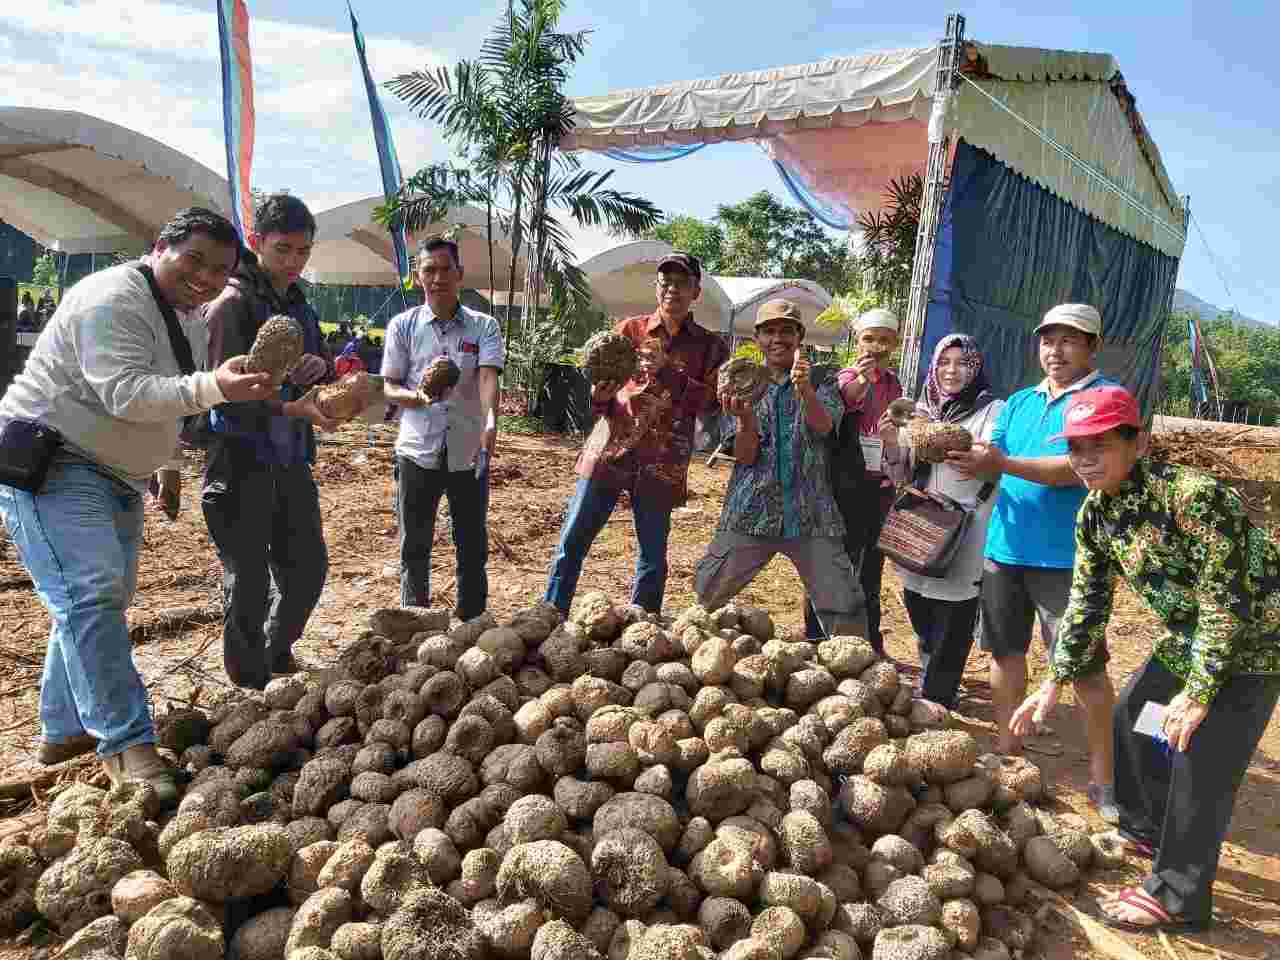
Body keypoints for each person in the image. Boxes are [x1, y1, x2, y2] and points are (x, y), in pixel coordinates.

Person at [0, 208, 273, 801]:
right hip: (55, 461)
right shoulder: (112, 297)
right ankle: (125, 744)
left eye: (219, 270)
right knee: (91, 595)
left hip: (118, 473)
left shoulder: (188, 319)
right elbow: (124, 391)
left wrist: (167, 465)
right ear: (159, 247)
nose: (204, 276)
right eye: (193, 259)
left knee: (93, 600)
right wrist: (216, 386)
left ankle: (63, 732)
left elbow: (174, 397)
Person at [1011, 385, 1280, 933]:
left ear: (1139, 443)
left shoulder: (1193, 496)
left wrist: (1200, 692)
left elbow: (1225, 600)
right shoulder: (1096, 514)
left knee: (1200, 757)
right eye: (1076, 448)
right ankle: (1146, 827)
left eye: (1099, 446)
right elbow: (1086, 603)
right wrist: (1053, 681)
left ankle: (1178, 894)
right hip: (1191, 636)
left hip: (1258, 642)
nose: (1084, 460)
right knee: (1135, 721)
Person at [948, 302, 1120, 821]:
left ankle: (1105, 779)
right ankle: (1008, 750)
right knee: (1005, 654)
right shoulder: (1021, 402)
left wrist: (1000, 462)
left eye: (1070, 340)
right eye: (1048, 340)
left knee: (1085, 669)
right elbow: (991, 461)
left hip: (1069, 560)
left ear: (1092, 347)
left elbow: (1079, 467)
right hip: (1005, 550)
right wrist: (957, 451)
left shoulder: (1104, 399)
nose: (1056, 350)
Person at [544, 252, 728, 616]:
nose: (672, 289)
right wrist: (598, 398)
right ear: (656, 288)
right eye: (665, 282)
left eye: (682, 283)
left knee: (652, 556)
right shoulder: (630, 330)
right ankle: (549, 618)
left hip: (662, 461)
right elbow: (604, 388)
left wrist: (668, 373)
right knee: (573, 541)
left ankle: (640, 633)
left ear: (696, 291)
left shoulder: (710, 347)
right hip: (611, 450)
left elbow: (711, 404)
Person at [202, 193, 335, 690]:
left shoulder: (300, 303)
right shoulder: (233, 304)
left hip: (291, 458)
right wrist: (282, 400)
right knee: (250, 583)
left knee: (307, 570)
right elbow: (220, 397)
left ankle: (275, 651)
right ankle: (248, 680)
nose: (295, 261)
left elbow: (318, 361)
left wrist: (317, 366)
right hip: (240, 459)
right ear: (256, 242)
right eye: (284, 250)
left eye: (303, 251)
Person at [695, 299, 867, 636]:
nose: (778, 338)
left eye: (786, 331)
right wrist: (745, 419)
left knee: (845, 612)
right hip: (751, 513)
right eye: (769, 331)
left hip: (812, 516)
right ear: (758, 338)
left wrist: (805, 390)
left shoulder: (822, 378)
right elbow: (744, 457)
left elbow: (824, 427)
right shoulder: (740, 383)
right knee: (705, 598)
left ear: (799, 336)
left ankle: (855, 676)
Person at [382, 235, 504, 619]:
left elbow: (487, 377)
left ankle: (472, 622)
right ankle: (414, 621)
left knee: (471, 543)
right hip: (417, 451)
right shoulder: (403, 325)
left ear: (460, 275)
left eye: (445, 269)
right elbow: (389, 384)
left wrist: (490, 420)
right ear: (418, 277)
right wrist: (417, 398)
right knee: (414, 545)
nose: (438, 278)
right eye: (429, 270)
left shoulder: (483, 326)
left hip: (468, 453)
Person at [882, 334, 1004, 707]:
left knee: (955, 608)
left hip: (966, 521)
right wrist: (892, 438)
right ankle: (930, 669)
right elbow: (899, 469)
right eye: (944, 363)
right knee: (916, 595)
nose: (952, 371)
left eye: (962, 363)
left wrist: (969, 452)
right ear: (933, 368)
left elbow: (996, 462)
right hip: (921, 518)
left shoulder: (993, 410)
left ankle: (938, 694)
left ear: (976, 368)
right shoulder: (921, 408)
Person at [806, 308, 903, 649]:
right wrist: (863, 380)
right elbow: (845, 401)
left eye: (884, 340)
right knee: (836, 563)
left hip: (880, 487)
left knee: (872, 568)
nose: (876, 346)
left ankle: (869, 640)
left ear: (895, 344)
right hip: (844, 487)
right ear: (857, 342)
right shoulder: (844, 377)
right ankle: (820, 639)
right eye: (869, 338)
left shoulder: (894, 383)